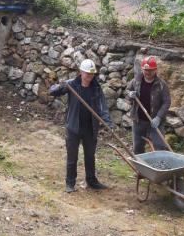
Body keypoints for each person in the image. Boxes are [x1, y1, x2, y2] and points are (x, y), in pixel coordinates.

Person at [49, 59, 115, 193]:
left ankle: (91, 181)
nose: (90, 77)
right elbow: (53, 91)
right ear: (81, 72)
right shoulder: (72, 85)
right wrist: (58, 85)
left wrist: (108, 123)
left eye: (92, 74)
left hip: (90, 128)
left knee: (90, 156)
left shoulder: (96, 88)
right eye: (87, 74)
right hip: (74, 127)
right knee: (72, 156)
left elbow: (102, 106)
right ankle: (70, 183)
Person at [125, 56, 171, 154]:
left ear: (155, 70)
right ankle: (140, 168)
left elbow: (167, 102)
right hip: (138, 121)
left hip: (155, 123)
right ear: (142, 69)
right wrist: (130, 94)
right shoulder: (136, 81)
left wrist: (158, 117)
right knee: (138, 148)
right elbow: (127, 91)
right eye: (146, 70)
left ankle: (159, 167)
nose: (148, 72)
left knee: (160, 147)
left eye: (150, 70)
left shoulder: (161, 84)